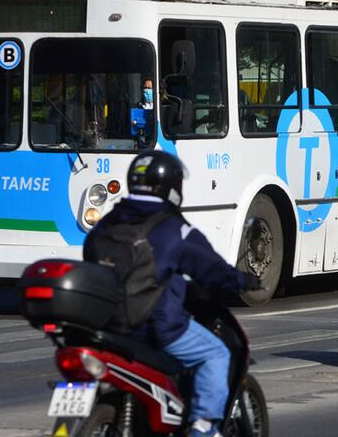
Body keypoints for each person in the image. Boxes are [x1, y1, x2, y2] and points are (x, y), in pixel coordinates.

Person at [88, 151, 262, 437]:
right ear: (173, 186)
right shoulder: (174, 228)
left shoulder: (107, 222)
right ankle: (203, 427)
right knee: (216, 354)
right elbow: (212, 269)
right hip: (153, 327)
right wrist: (243, 280)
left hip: (106, 326)